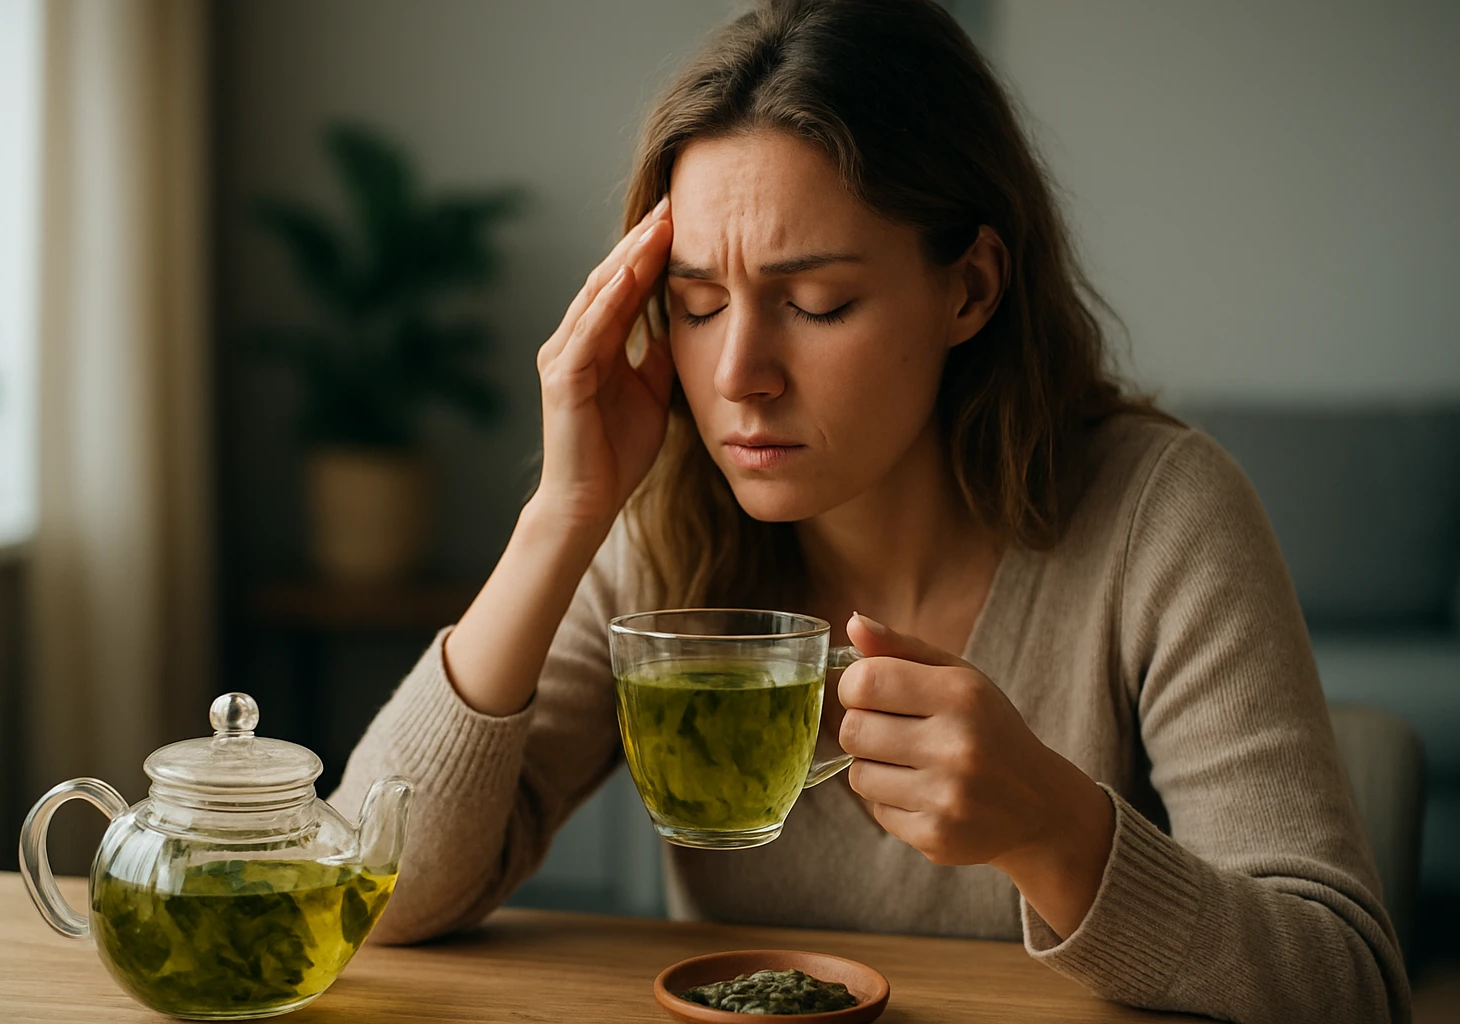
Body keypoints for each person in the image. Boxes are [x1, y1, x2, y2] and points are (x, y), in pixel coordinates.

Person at [329, 1, 1410, 1020]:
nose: (738, 375)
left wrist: (1057, 832)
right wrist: (561, 514)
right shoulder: (663, 526)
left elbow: (1349, 982)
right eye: (697, 304)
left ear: (970, 289)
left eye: (817, 303)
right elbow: (373, 894)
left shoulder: (1161, 518)